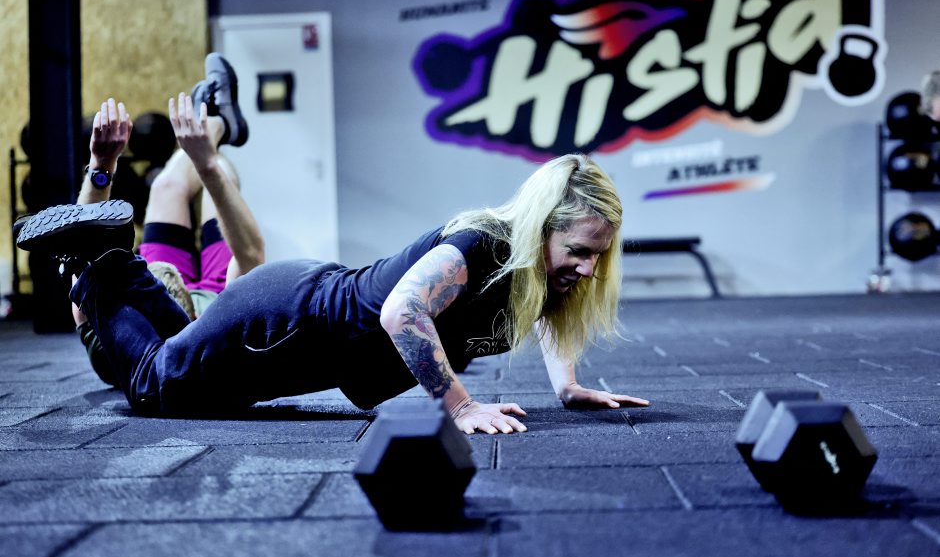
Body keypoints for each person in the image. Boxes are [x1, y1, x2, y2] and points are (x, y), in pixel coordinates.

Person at [16, 78, 649, 437]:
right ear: (542, 227)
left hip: (297, 314)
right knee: (154, 388)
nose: (587, 269)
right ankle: (95, 254)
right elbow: (403, 312)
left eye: (598, 255)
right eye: (578, 250)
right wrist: (460, 404)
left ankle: (103, 251)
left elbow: (545, 311)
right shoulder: (484, 242)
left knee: (177, 350)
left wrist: (566, 386)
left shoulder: (530, 268)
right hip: (289, 322)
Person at [72, 54, 263, 386]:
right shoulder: (221, 329)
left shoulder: (109, 349)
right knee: (220, 177)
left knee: (166, 187)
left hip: (173, 310)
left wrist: (101, 166)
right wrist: (206, 164)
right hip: (216, 298)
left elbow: (81, 257)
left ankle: (218, 125)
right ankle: (219, 126)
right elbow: (251, 254)